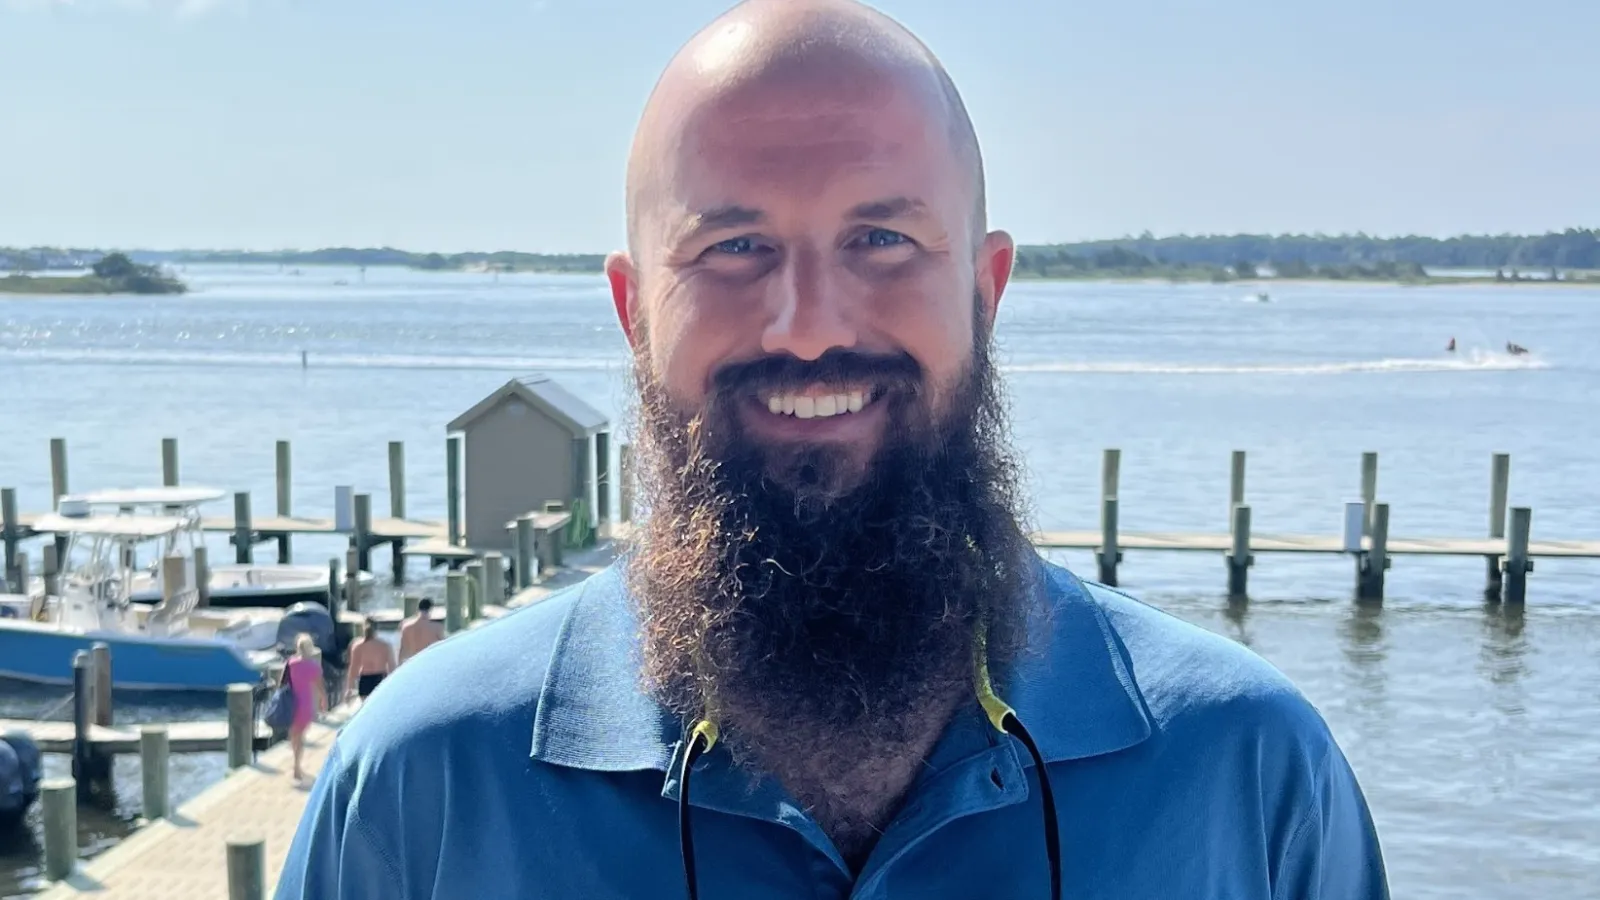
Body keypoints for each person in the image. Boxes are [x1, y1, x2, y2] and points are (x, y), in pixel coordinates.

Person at [276, 2, 1389, 897]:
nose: (807, 324)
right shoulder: (422, 782)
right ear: (632, 310)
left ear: (984, 291)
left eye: (882, 239)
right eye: (734, 246)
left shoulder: (1247, 773)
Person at [285, 632, 327, 784]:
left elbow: (282, 684)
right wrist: (323, 703)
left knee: (294, 735)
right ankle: (296, 766)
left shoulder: (291, 663)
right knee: (300, 736)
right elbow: (320, 688)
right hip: (305, 704)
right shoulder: (313, 667)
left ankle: (295, 764)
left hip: (291, 703)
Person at [342, 618, 396, 703]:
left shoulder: (358, 646)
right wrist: (393, 685)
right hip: (380, 678)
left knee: (366, 707)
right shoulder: (385, 645)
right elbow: (392, 667)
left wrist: (349, 688)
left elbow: (353, 669)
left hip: (365, 680)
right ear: (377, 629)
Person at [397, 597, 441, 665]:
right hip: (429, 662)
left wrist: (399, 666)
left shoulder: (406, 626)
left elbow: (401, 650)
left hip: (412, 663)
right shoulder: (436, 627)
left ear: (418, 608)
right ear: (431, 609)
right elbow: (443, 647)